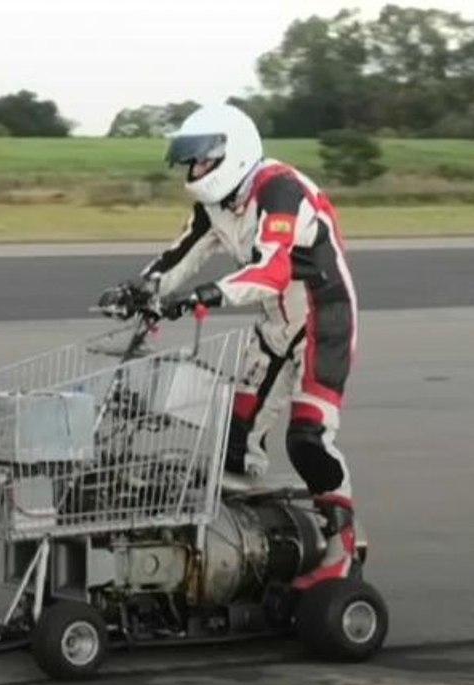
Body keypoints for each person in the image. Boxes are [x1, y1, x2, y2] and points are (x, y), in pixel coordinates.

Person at [97, 103, 361, 590]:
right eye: (191, 163)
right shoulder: (216, 205)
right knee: (233, 441)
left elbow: (272, 271)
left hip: (324, 318)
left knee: (307, 438)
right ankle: (247, 551)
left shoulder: (278, 191)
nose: (194, 172)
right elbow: (181, 255)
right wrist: (142, 290)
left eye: (201, 161)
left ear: (232, 155)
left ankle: (343, 546)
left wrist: (208, 295)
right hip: (273, 321)